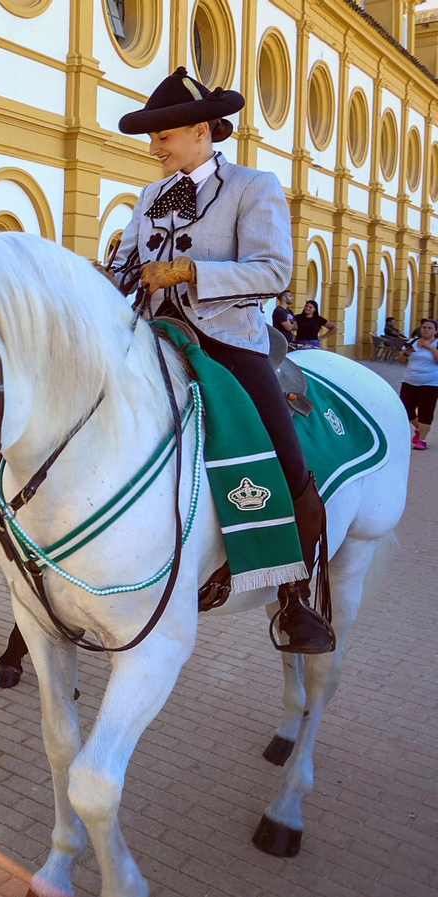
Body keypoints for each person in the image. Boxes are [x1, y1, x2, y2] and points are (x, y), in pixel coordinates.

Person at [109, 65, 333, 653]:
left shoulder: (253, 187)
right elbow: (124, 267)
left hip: (229, 342)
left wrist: (190, 270)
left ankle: (293, 594)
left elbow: (274, 271)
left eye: (163, 135)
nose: (154, 146)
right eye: (153, 138)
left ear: (202, 131)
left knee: (286, 463)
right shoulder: (149, 196)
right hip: (153, 337)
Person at [398, 318, 438, 450]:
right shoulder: (412, 342)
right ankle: (419, 429)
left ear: (435, 331)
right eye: (424, 327)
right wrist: (405, 354)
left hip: (430, 383)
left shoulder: (436, 344)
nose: (426, 330)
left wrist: (431, 347)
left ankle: (422, 440)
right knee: (405, 409)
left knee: (425, 411)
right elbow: (401, 361)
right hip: (409, 381)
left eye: (429, 328)